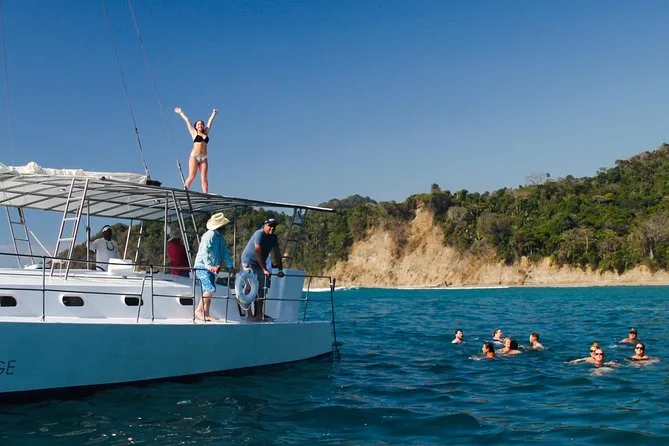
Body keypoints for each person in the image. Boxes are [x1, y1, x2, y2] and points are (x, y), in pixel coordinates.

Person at [240, 218, 285, 322]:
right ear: (264, 225)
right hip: (249, 262)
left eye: (274, 226)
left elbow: (277, 253)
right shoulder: (259, 234)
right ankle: (249, 315)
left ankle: (259, 314)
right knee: (250, 287)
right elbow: (257, 251)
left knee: (261, 289)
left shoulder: (274, 237)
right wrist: (264, 269)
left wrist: (280, 269)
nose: (272, 228)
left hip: (259, 264)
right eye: (270, 226)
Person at [193, 213, 234, 321]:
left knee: (209, 289)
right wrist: (210, 266)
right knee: (210, 289)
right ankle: (198, 311)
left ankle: (206, 313)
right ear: (220, 226)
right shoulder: (209, 235)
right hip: (202, 266)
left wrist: (230, 266)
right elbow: (204, 252)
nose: (225, 227)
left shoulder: (220, 238)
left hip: (211, 269)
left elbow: (225, 252)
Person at [174, 106, 218, 194]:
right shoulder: (194, 132)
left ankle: (206, 195)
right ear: (196, 126)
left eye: (201, 124)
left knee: (204, 178)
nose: (200, 125)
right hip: (194, 156)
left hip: (204, 157)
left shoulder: (206, 133)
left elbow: (210, 123)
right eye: (198, 124)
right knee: (192, 176)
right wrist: (180, 112)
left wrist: (213, 114)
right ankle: (185, 192)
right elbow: (187, 121)